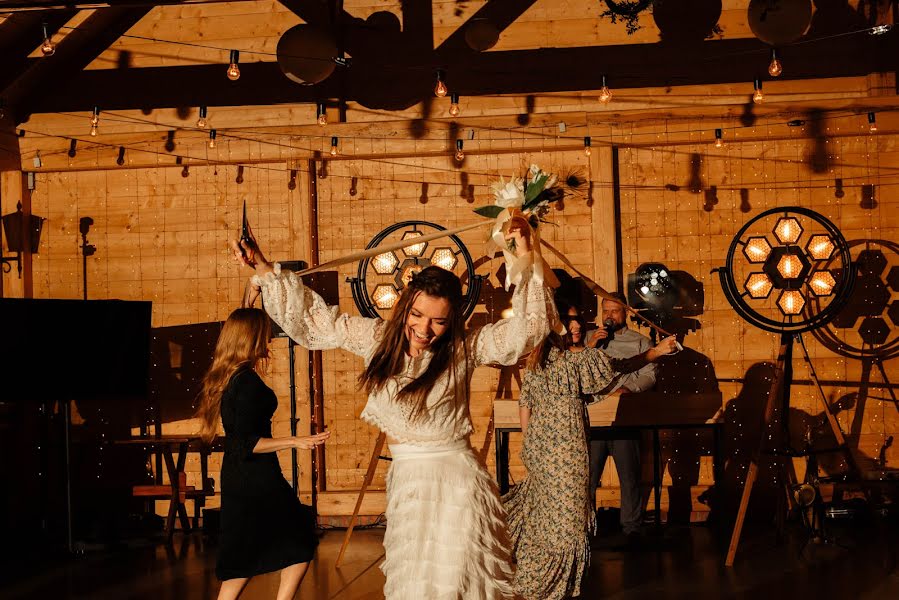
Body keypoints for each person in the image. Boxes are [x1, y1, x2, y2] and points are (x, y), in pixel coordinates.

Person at [234, 216, 557, 599]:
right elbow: (312, 321)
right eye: (417, 316)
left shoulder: (463, 349)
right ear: (404, 307)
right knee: (416, 587)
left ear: (452, 321)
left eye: (438, 321)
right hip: (409, 485)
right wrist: (264, 267)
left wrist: (525, 257)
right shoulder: (374, 339)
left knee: (458, 584)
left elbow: (529, 329)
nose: (424, 329)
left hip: (458, 484)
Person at [503, 298, 677, 599]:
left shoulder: (576, 361)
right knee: (556, 513)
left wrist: (656, 351)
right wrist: (527, 443)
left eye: (577, 324)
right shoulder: (542, 362)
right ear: (554, 329)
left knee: (563, 513)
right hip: (554, 447)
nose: (575, 328)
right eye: (569, 324)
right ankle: (546, 580)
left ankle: (547, 578)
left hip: (559, 446)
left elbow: (618, 367)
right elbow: (526, 402)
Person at [195, 308, 330, 600]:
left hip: (242, 474)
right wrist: (296, 441)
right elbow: (246, 443)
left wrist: (252, 289)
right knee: (298, 540)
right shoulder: (245, 383)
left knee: (246, 555)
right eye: (264, 331)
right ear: (251, 337)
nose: (269, 336)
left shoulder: (234, 376)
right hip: (255, 476)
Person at [587, 292, 658, 540]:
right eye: (605, 310)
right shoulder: (589, 339)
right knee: (588, 477)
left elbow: (650, 375)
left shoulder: (640, 342)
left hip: (624, 416)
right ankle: (586, 528)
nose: (609, 316)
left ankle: (632, 529)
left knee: (629, 477)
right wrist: (590, 346)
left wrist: (629, 389)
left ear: (625, 312)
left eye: (614, 311)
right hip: (593, 420)